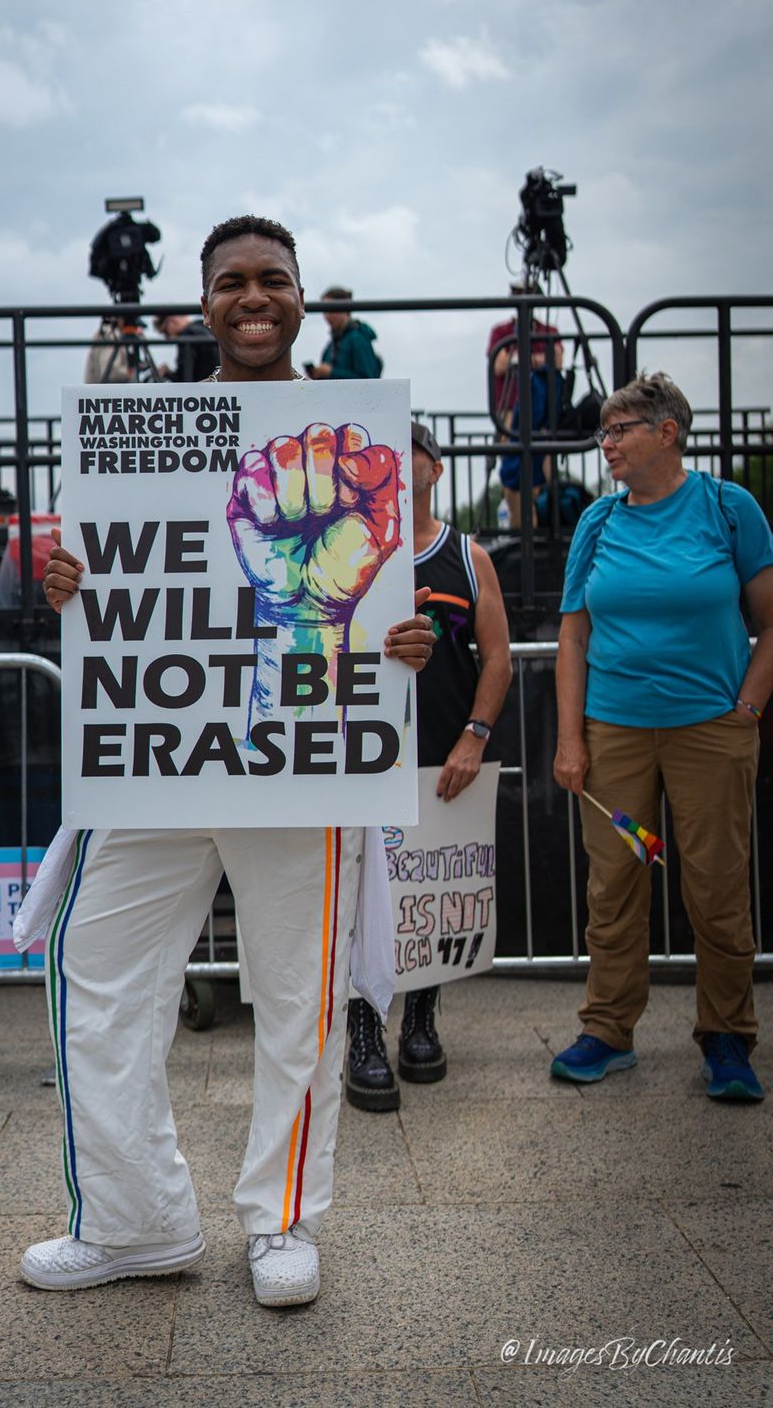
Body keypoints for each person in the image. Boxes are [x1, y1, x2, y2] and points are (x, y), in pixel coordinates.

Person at [20, 216, 435, 1307]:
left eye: (274, 280)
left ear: (300, 297)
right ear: (202, 301)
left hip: (302, 758)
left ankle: (281, 1219)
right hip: (158, 756)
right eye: (231, 283)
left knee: (299, 998)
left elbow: (383, 584)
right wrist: (70, 583)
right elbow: (106, 572)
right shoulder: (143, 427)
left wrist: (401, 641)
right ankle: (130, 1220)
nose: (254, 298)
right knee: (97, 979)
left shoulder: (355, 420)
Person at [551, 372, 773, 1102]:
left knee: (716, 886)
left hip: (711, 730)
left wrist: (747, 707)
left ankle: (727, 1038)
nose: (605, 445)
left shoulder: (726, 507)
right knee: (613, 884)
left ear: (667, 432)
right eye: (604, 434)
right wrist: (570, 741)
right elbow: (573, 639)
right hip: (614, 734)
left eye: (619, 431)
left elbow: (770, 622)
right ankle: (609, 1030)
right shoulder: (598, 523)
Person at [346, 420, 513, 1110]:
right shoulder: (348, 548)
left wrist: (474, 736)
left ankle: (419, 1021)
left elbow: (498, 657)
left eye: (408, 445)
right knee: (361, 903)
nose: (393, 454)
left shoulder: (468, 557)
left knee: (425, 896)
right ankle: (362, 1032)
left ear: (434, 469)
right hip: (357, 762)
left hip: (440, 757)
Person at [487, 283, 563, 529]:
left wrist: (519, 359)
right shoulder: (502, 332)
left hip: (541, 415)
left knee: (544, 471)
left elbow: (558, 360)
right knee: (513, 473)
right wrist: (537, 360)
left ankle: (542, 528)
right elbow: (498, 364)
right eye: (518, 295)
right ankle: (521, 530)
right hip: (510, 413)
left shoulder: (547, 330)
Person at [306, 286, 382, 380]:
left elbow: (367, 380)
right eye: (325, 311)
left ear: (345, 309)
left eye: (331, 310)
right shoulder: (332, 344)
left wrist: (331, 373)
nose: (328, 316)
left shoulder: (357, 339)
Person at [152, 313, 220, 382]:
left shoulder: (187, 336)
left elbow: (184, 379)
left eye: (166, 332)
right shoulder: (202, 327)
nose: (168, 337)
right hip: (217, 381)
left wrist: (167, 373)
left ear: (172, 321)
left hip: (202, 388)